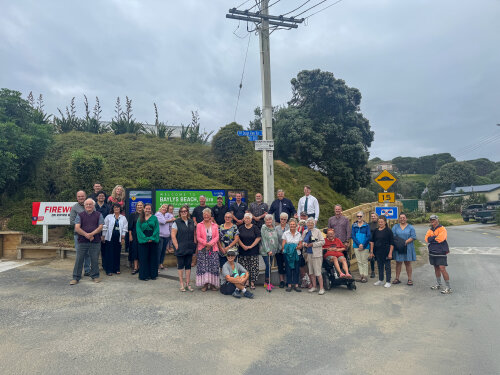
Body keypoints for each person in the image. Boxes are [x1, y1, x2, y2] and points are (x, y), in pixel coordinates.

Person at [70, 199, 103, 285]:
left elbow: (100, 227)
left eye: (90, 204)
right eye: (87, 204)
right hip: (82, 241)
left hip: (95, 241)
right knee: (79, 259)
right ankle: (76, 277)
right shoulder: (80, 215)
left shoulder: (99, 215)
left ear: (93, 206)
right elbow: (77, 228)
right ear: (84, 206)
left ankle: (95, 276)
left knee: (94, 259)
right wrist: (86, 235)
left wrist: (92, 234)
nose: (88, 206)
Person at [171, 205, 196, 292]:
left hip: (189, 247)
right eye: (182, 211)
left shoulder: (191, 222)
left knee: (188, 266)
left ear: (187, 212)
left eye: (185, 211)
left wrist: (194, 245)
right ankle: (181, 284)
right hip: (181, 248)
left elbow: (194, 234)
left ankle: (187, 284)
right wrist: (177, 246)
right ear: (180, 213)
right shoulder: (176, 222)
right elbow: (173, 236)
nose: (184, 213)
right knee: (181, 266)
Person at [425, 215, 452, 294]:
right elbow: (427, 239)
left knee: (442, 268)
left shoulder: (442, 229)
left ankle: (448, 287)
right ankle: (439, 284)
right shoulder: (430, 229)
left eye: (433, 219)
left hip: (441, 251)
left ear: (437, 220)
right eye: (431, 220)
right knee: (436, 268)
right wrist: (434, 238)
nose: (432, 221)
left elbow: (440, 239)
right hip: (432, 251)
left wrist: (432, 238)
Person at [196, 208, 220, 291]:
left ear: (210, 215)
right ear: (203, 215)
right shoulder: (199, 225)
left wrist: (211, 244)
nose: (206, 216)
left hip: (213, 248)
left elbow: (217, 236)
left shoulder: (215, 225)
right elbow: (198, 237)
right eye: (204, 214)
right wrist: (206, 244)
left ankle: (213, 284)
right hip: (203, 248)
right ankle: (205, 284)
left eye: (207, 214)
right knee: (203, 266)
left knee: (213, 266)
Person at [102, 203, 128, 276]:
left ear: (120, 209)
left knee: (117, 253)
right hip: (109, 238)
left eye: (118, 208)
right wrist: (103, 236)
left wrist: (123, 238)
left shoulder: (123, 218)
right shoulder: (109, 217)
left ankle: (116, 269)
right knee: (109, 254)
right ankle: (109, 270)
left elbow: (125, 228)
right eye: (115, 208)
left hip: (118, 238)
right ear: (113, 209)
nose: (116, 209)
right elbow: (105, 227)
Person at [302, 217, 326, 295]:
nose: (310, 224)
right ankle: (314, 286)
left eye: (311, 223)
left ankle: (322, 288)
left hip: (317, 254)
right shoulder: (305, 231)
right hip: (308, 254)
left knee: (318, 272)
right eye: (308, 223)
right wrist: (304, 244)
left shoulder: (317, 231)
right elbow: (301, 241)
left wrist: (313, 244)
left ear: (314, 224)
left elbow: (323, 242)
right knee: (311, 271)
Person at [136, 203, 160, 281]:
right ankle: (144, 275)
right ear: (144, 209)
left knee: (153, 257)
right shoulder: (140, 218)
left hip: (153, 239)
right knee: (143, 258)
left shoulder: (154, 218)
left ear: (151, 210)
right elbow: (138, 230)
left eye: (149, 209)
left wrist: (152, 238)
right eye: (146, 208)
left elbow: (157, 229)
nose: (147, 210)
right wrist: (145, 239)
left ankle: (153, 275)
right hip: (143, 240)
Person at [237, 213, 261, 289]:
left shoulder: (255, 228)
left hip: (253, 251)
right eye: (245, 218)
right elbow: (238, 238)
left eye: (248, 218)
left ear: (251, 220)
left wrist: (251, 246)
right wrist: (243, 246)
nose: (247, 220)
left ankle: (252, 282)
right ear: (243, 219)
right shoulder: (240, 228)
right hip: (243, 251)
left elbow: (258, 238)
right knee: (244, 267)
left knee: (253, 267)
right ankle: (246, 281)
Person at [392, 213, 417, 285]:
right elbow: (393, 236)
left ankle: (409, 279)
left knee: (408, 263)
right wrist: (400, 243)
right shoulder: (395, 227)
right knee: (398, 263)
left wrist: (405, 242)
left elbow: (413, 236)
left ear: (406, 218)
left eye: (404, 217)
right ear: (399, 219)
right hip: (399, 247)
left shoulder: (410, 227)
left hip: (408, 247)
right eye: (401, 218)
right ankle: (397, 278)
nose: (402, 219)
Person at [369, 215, 394, 288]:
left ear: (385, 222)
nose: (380, 223)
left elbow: (392, 243)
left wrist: (390, 253)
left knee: (387, 267)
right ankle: (380, 280)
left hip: (386, 251)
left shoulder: (388, 230)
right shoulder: (376, 231)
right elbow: (372, 242)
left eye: (382, 222)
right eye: (379, 222)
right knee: (380, 266)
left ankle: (388, 281)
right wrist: (371, 251)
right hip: (378, 251)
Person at [70, 190, 90, 276]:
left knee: (88, 253)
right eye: (79, 196)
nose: (81, 198)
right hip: (79, 235)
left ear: (85, 196)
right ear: (77, 198)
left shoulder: (91, 205)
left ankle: (87, 270)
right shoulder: (74, 208)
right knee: (80, 254)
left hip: (89, 234)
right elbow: (72, 221)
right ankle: (78, 272)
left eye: (82, 196)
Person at [282, 218, 303, 292]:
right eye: (291, 224)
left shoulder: (299, 234)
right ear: (289, 225)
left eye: (294, 224)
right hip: (288, 254)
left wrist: (296, 247)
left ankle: (296, 285)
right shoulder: (285, 233)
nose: (292, 226)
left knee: (296, 269)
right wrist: (291, 247)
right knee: (288, 269)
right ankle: (289, 285)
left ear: (296, 225)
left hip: (297, 254)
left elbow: (301, 245)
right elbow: (283, 245)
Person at [260, 214, 280, 288]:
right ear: (265, 221)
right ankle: (267, 282)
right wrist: (268, 250)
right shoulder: (264, 228)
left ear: (272, 220)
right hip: (266, 251)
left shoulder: (274, 227)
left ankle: (267, 282)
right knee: (268, 265)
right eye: (267, 220)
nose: (268, 221)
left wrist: (276, 248)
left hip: (273, 250)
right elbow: (264, 239)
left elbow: (276, 239)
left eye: (270, 219)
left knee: (270, 266)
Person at [351, 211, 371, 283]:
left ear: (363, 217)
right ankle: (361, 275)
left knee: (364, 261)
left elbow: (368, 236)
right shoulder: (354, 225)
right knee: (359, 261)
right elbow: (353, 235)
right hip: (356, 246)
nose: (359, 217)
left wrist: (363, 245)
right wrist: (359, 244)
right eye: (358, 216)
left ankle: (365, 276)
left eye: (360, 216)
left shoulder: (366, 225)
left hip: (365, 246)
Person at [156, 204, 175, 271]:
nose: (164, 209)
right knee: (159, 251)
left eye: (166, 208)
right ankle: (156, 267)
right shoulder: (158, 214)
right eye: (163, 207)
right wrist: (171, 220)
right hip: (160, 236)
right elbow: (162, 222)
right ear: (160, 208)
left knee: (163, 251)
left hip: (166, 236)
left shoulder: (166, 215)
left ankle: (161, 264)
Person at [128, 201, 143, 275]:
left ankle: (141, 267)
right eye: (138, 205)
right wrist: (130, 235)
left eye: (141, 205)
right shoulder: (132, 215)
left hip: (143, 236)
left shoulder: (145, 215)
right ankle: (135, 267)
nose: (140, 207)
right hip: (135, 235)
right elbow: (130, 227)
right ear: (136, 206)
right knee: (135, 251)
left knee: (142, 251)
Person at [274, 212, 289, 288]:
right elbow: (275, 239)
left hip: (288, 250)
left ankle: (287, 281)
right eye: (281, 219)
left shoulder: (289, 227)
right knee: (280, 265)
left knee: (287, 265)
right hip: (279, 250)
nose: (282, 220)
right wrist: (280, 248)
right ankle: (281, 281)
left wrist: (285, 248)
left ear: (287, 220)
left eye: (284, 219)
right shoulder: (276, 228)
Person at [369, 212, 378, 278]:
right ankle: (372, 271)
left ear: (377, 217)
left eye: (374, 216)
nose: (373, 217)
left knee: (379, 257)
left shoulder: (380, 223)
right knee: (372, 257)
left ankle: (381, 270)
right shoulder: (369, 224)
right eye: (372, 216)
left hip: (379, 242)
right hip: (371, 243)